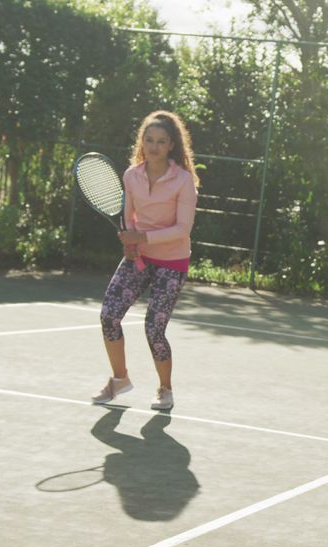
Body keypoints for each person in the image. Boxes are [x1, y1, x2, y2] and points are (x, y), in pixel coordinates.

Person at [91, 110, 199, 411]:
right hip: (139, 257)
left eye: (161, 141)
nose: (153, 146)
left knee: (154, 327)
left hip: (172, 262)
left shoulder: (183, 181)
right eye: (149, 140)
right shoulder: (130, 176)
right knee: (109, 315)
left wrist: (142, 238)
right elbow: (129, 219)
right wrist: (130, 243)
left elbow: (183, 230)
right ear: (142, 142)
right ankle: (119, 379)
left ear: (171, 146)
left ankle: (165, 389)